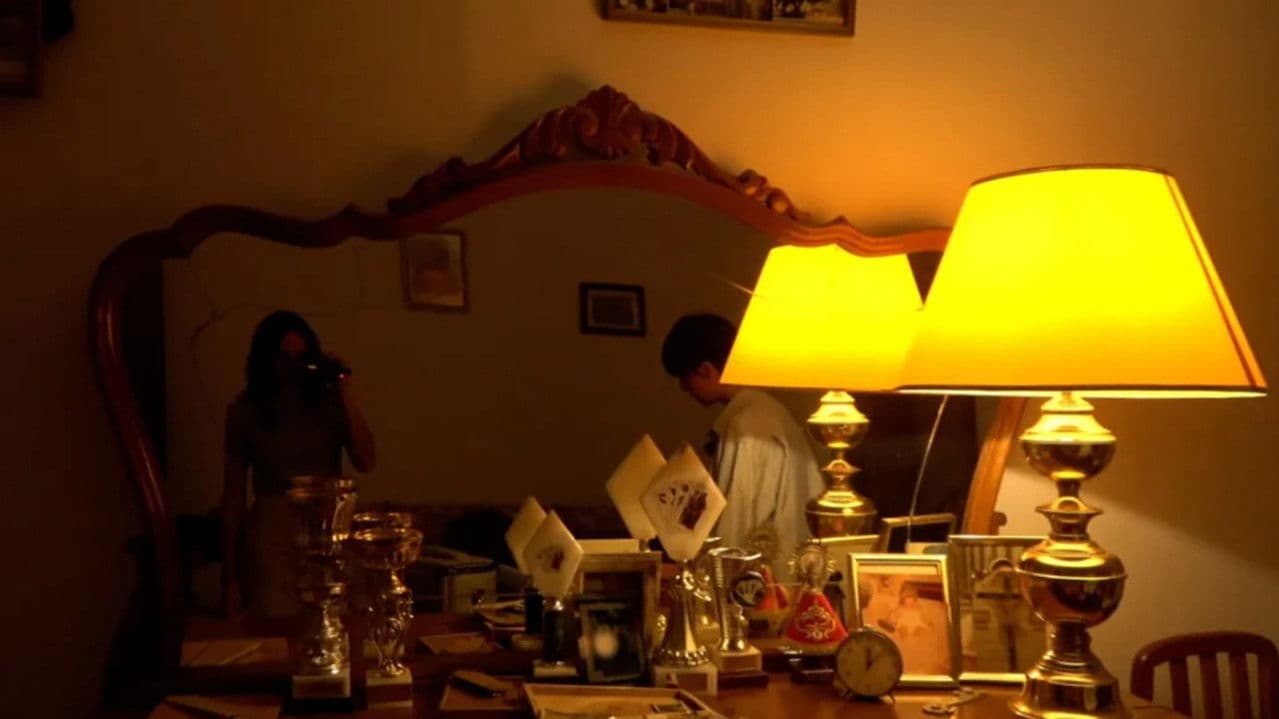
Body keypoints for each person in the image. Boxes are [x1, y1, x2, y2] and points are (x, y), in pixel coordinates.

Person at [222, 310, 376, 617]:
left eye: (301, 358)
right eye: (283, 358)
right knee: (278, 621)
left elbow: (366, 460)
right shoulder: (246, 410)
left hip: (328, 525)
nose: (291, 367)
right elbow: (233, 495)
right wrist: (229, 579)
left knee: (338, 620)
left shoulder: (328, 404)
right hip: (274, 532)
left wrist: (344, 389)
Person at [660, 313, 824, 578]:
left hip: (770, 579)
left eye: (685, 377)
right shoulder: (766, 411)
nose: (683, 387)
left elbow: (735, 520)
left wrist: (710, 577)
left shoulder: (746, 426)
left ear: (705, 370)